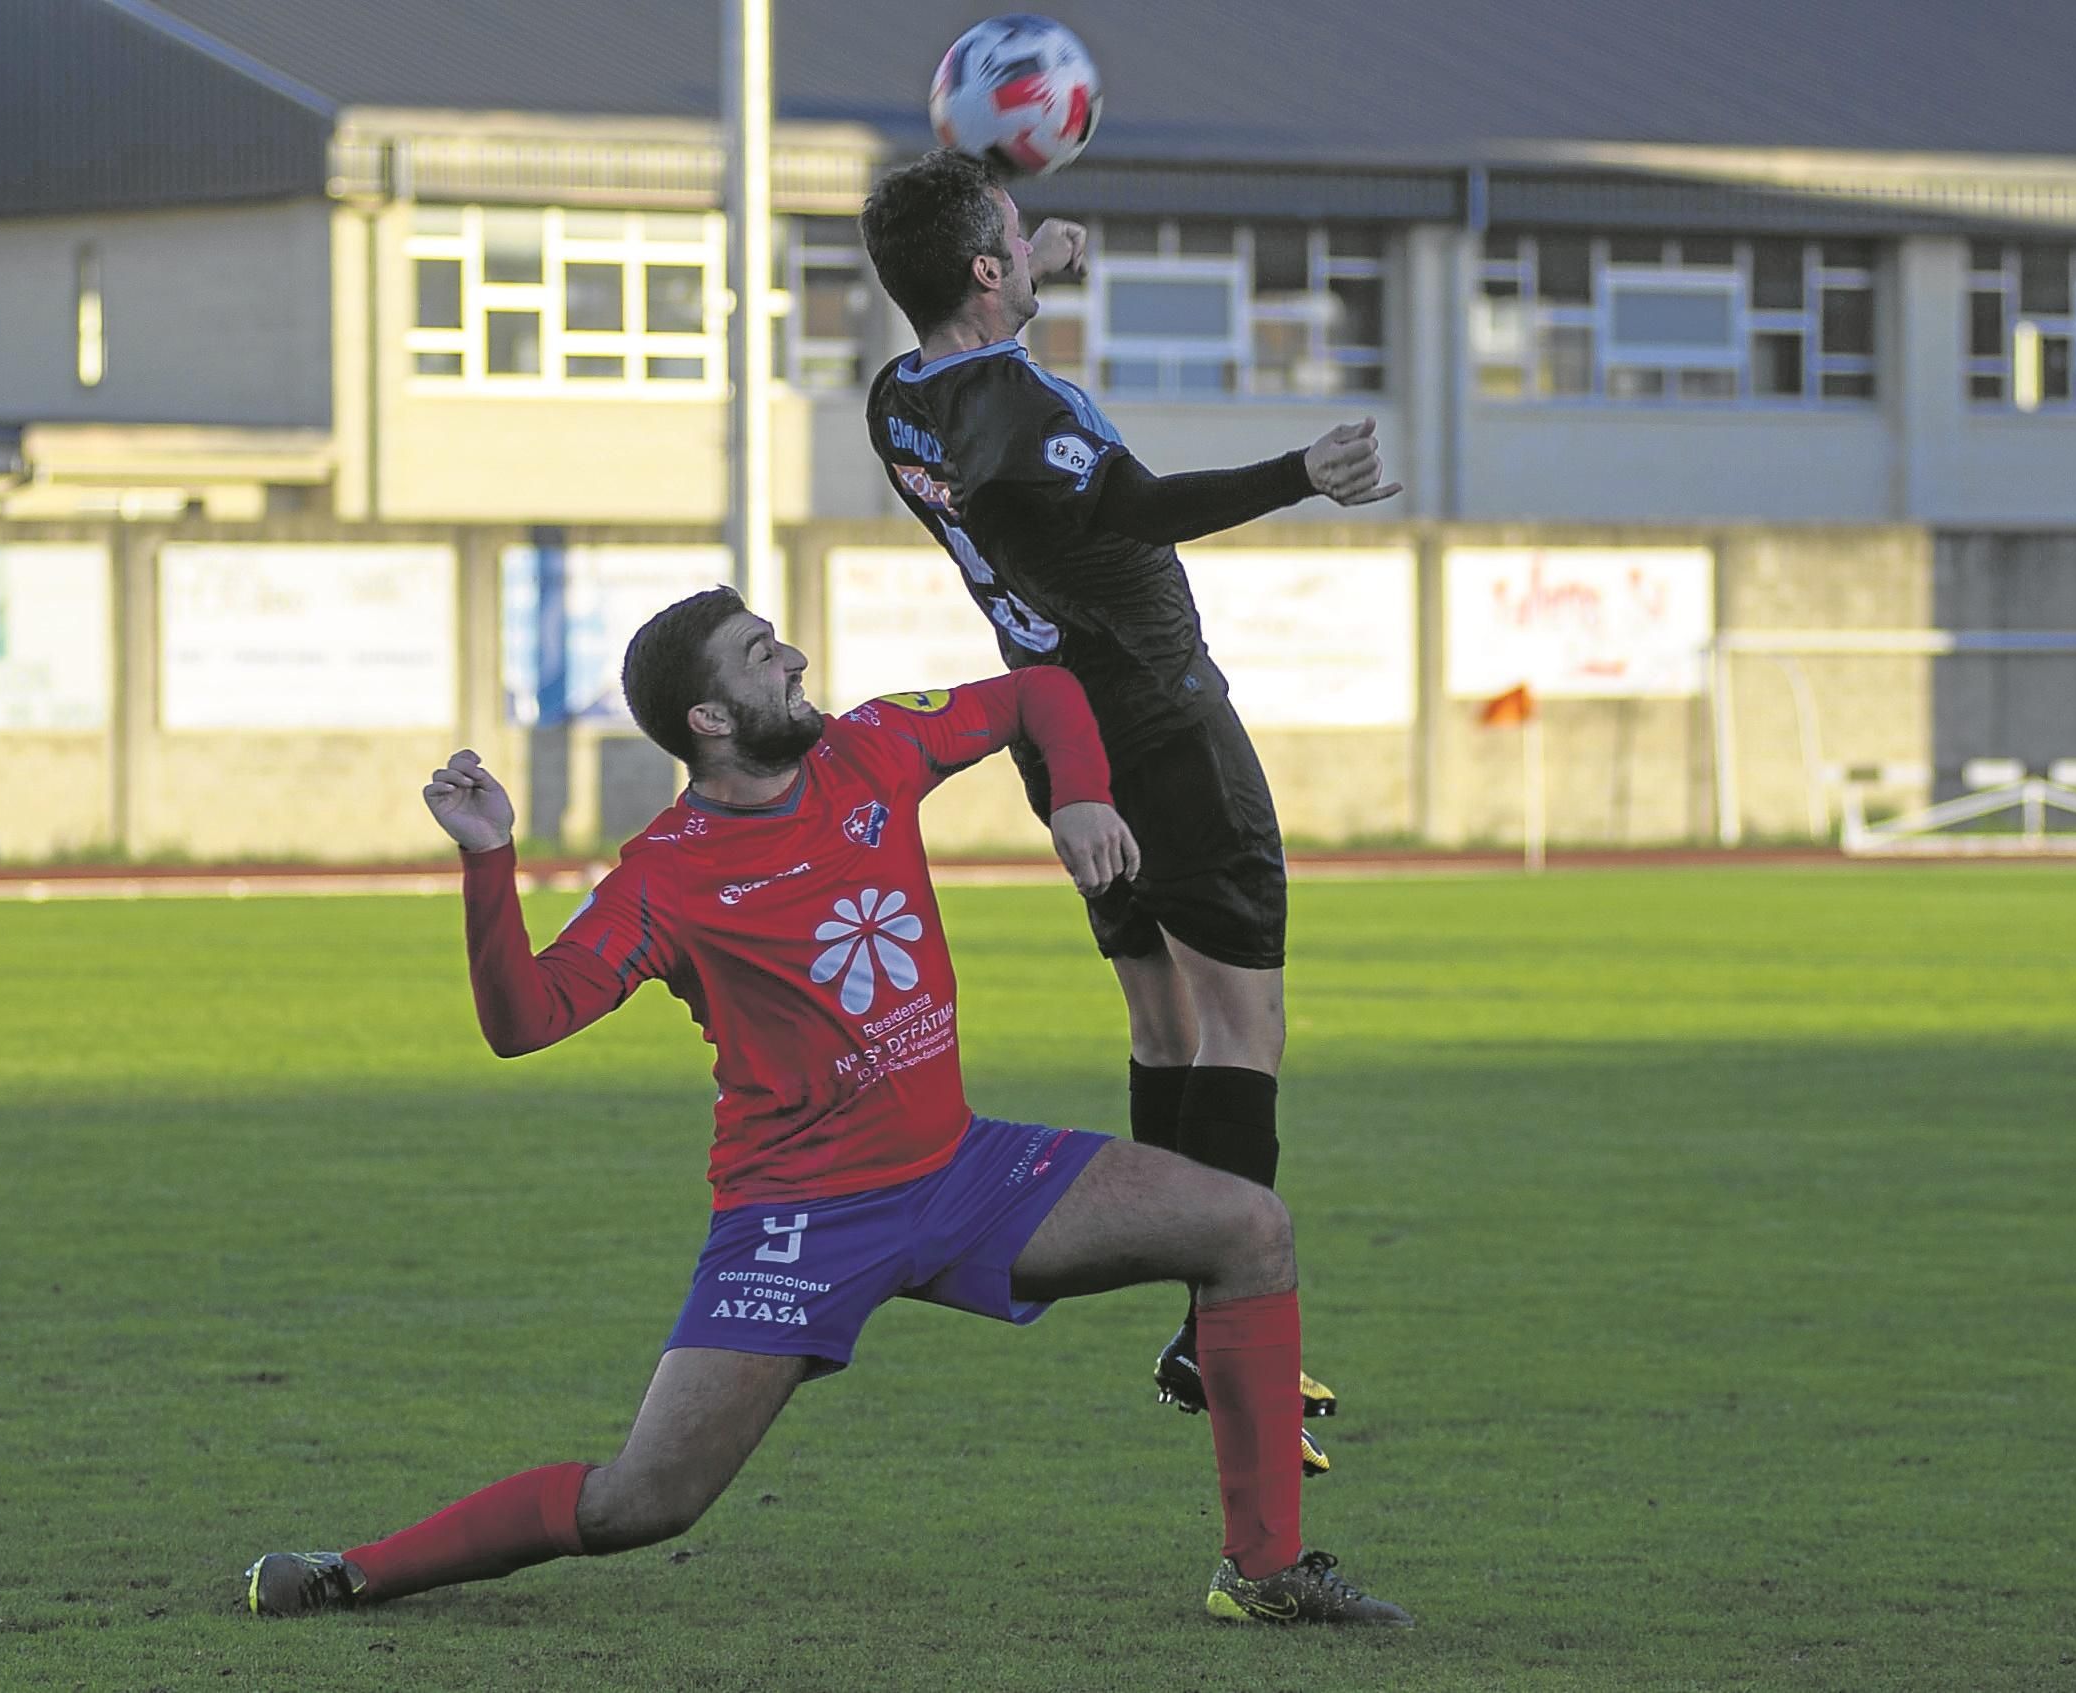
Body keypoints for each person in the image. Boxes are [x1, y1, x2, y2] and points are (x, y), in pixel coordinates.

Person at [241, 587, 1409, 1629]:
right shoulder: (662, 874)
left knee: (1249, 1228)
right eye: (761, 655)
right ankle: (356, 1572)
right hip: (798, 1219)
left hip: (961, 1173)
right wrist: (489, 860)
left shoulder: (871, 750)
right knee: (643, 1502)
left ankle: (1266, 1573)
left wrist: (1081, 802)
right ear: (708, 718)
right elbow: (524, 1018)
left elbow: (1040, 693)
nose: (794, 658)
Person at [858, 151, 1401, 1442]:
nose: (1029, 237)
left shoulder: (899, 397)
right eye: (1009, 234)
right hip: (1159, 726)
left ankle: (1183, 1296)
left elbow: (976, 345)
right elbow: (1144, 505)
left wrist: (1021, 268)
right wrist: (1301, 474)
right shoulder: (1009, 412)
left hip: (1065, 741)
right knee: (1241, 1030)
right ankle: (1217, 1322)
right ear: (984, 271)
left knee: (1164, 1026)